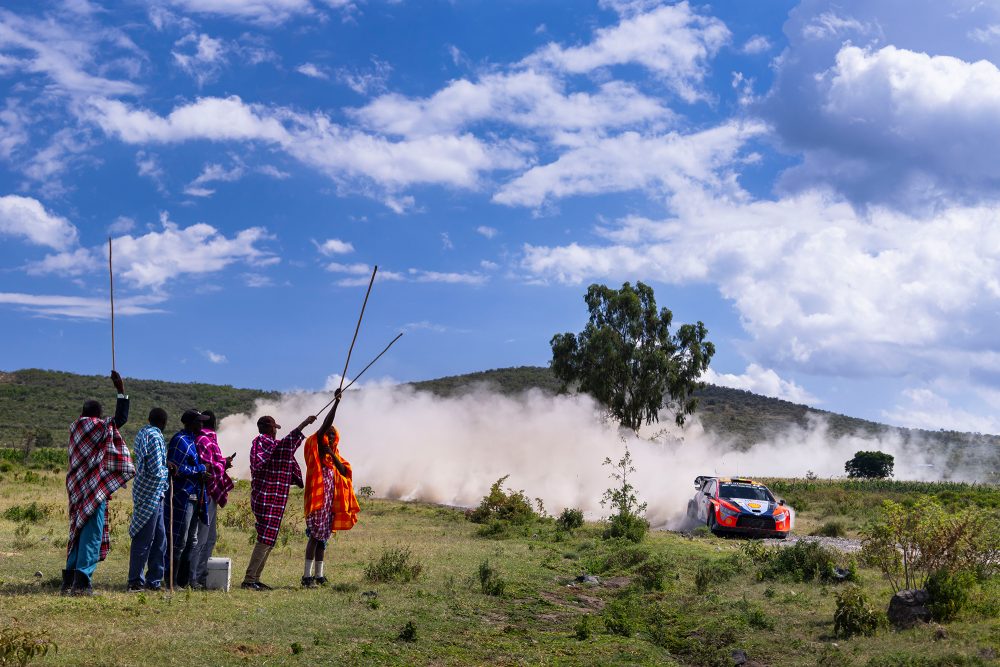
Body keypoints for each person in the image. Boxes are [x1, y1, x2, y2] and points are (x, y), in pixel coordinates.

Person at [64, 370, 135, 596]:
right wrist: (121, 390)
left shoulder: (74, 427)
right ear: (97, 415)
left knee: (77, 530)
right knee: (91, 535)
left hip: (76, 488)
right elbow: (120, 420)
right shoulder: (98, 426)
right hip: (94, 489)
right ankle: (82, 583)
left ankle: (68, 580)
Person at [242, 412, 316, 590]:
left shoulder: (270, 444)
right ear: (268, 428)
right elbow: (283, 448)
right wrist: (303, 424)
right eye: (274, 428)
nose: (275, 432)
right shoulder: (262, 443)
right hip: (266, 497)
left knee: (268, 538)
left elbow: (283, 449)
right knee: (265, 538)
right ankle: (249, 580)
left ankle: (255, 579)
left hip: (273, 498)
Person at [302, 392, 358, 588]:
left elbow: (345, 472)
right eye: (329, 435)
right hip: (316, 501)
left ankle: (319, 575)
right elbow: (325, 424)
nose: (332, 437)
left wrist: (332, 456)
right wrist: (336, 403)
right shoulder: (316, 447)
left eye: (334, 435)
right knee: (315, 538)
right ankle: (306, 577)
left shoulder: (334, 457)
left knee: (322, 540)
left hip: (328, 505)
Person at [189, 410, 234, 589]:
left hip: (206, 493)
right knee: (202, 538)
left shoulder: (201, 439)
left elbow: (211, 463)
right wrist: (224, 463)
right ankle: (195, 577)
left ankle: (199, 575)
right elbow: (211, 467)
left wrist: (222, 462)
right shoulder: (207, 440)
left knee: (208, 537)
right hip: (206, 494)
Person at [165, 409, 209, 588]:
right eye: (199, 422)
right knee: (180, 540)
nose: (202, 425)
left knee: (192, 540)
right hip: (182, 496)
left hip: (194, 494)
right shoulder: (180, 440)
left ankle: (182, 581)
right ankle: (171, 580)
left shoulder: (191, 440)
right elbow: (175, 469)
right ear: (190, 423)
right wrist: (199, 470)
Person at [127, 407, 169, 592]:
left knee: (160, 539)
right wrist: (170, 471)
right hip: (151, 492)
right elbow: (155, 469)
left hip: (155, 493)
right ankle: (135, 581)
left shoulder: (145, 433)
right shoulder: (154, 436)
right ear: (164, 423)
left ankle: (154, 581)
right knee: (144, 539)